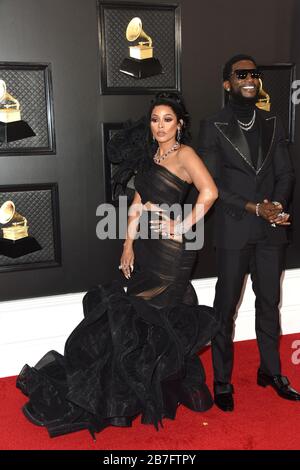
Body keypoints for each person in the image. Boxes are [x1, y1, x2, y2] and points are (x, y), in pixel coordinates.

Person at [16, 92, 219, 438]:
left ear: (180, 124)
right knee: (141, 321)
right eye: (155, 119)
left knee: (158, 318)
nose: (160, 126)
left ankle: (163, 388)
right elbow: (138, 204)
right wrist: (127, 245)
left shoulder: (185, 154)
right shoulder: (151, 155)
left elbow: (210, 191)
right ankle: (153, 388)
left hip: (171, 253)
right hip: (146, 249)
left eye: (167, 119)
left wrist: (181, 225)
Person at [197, 54, 300, 412]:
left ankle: (270, 371)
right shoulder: (213, 125)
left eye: (253, 73)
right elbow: (212, 184)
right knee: (225, 308)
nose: (249, 78)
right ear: (227, 83)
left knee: (269, 303)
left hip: (271, 229)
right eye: (241, 74)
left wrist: (277, 206)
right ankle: (222, 380)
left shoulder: (274, 121)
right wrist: (253, 207)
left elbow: (286, 173)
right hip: (234, 227)